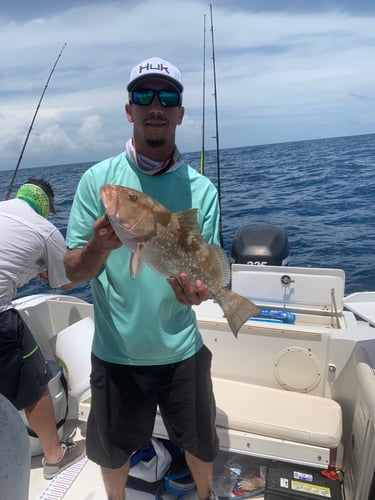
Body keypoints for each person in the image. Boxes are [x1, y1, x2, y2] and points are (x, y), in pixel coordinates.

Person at [64, 57, 220, 500]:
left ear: (180, 113)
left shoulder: (202, 191)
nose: (156, 105)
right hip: (116, 353)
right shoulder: (98, 180)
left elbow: (201, 265)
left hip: (181, 351)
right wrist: (96, 247)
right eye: (143, 96)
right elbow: (70, 273)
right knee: (112, 453)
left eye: (167, 97)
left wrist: (200, 295)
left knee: (201, 444)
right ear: (128, 109)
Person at [0, 178, 86, 480]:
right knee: (35, 387)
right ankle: (54, 457)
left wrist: (35, 267)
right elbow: (66, 282)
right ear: (46, 205)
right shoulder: (45, 229)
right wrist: (48, 270)